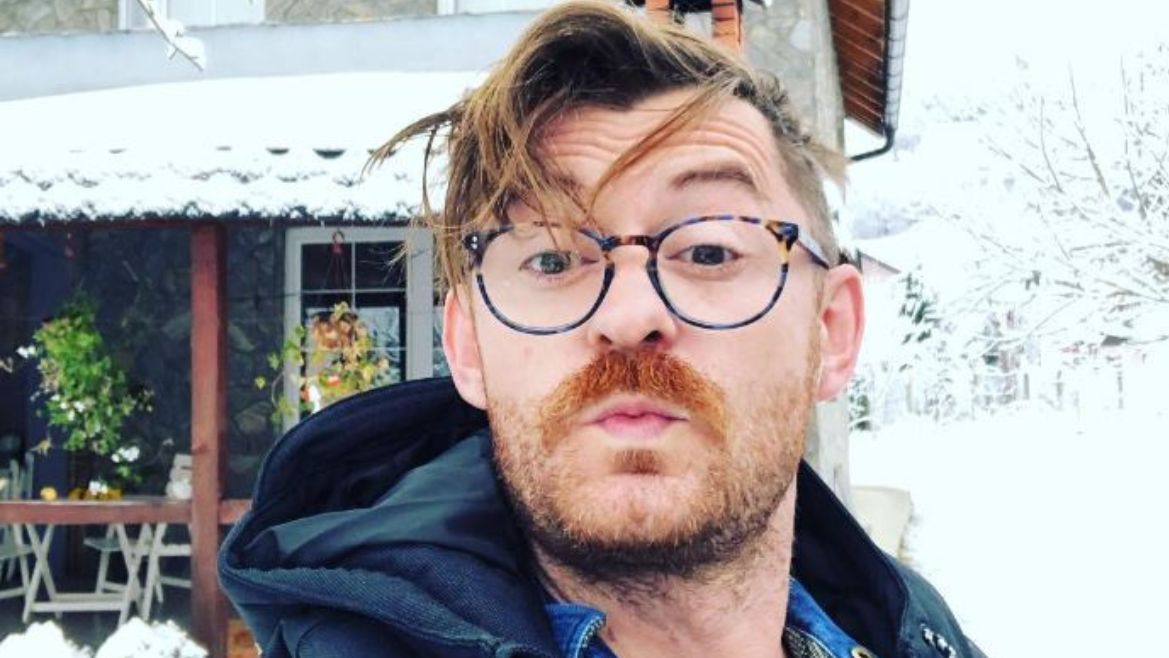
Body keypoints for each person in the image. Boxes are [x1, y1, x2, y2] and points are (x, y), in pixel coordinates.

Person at [219, 2, 984, 657]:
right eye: (553, 258)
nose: (628, 316)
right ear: (468, 346)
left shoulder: (918, 636)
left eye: (708, 250)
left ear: (831, 330)